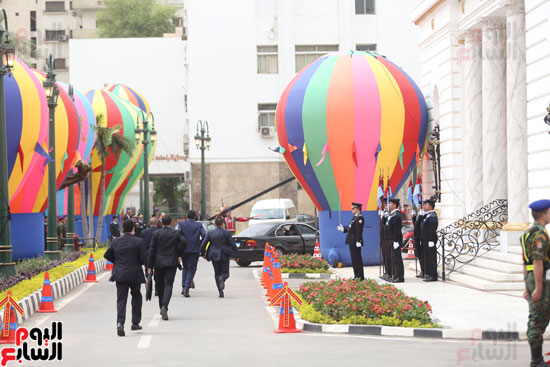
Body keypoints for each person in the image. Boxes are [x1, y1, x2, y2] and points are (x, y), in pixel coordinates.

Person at [104, 219, 146, 337]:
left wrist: (117, 262)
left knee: (121, 299)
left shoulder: (116, 241)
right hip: (135, 273)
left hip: (120, 273)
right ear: (133, 229)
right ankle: (135, 322)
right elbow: (143, 259)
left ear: (122, 229)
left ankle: (120, 323)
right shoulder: (138, 241)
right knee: (136, 296)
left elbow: (107, 255)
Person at [522, 199, 550, 367]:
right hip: (542, 279)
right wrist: (538, 288)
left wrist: (527, 287)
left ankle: (537, 359)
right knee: (538, 318)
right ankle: (536, 360)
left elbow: (525, 263)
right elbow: (538, 262)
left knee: (538, 316)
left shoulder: (528, 232)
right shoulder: (540, 235)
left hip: (532, 278)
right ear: (543, 213)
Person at [147, 215, 186, 320]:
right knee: (168, 284)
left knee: (159, 285)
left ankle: (161, 306)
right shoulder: (176, 233)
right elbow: (184, 241)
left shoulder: (156, 233)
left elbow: (152, 250)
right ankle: (165, 306)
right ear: (171, 222)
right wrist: (179, 254)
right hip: (172, 262)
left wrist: (149, 266)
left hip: (158, 263)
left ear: (161, 222)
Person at [200, 217, 238, 298]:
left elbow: (203, 244)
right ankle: (223, 278)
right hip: (224, 254)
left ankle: (220, 292)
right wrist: (236, 255)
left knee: (217, 273)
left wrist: (203, 253)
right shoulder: (227, 233)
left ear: (215, 224)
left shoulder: (210, 233)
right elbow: (232, 244)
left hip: (214, 255)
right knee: (226, 273)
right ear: (223, 224)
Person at [178, 211, 206, 297]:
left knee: (185, 267)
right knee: (191, 268)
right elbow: (204, 235)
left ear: (186, 216)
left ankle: (183, 286)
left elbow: (178, 234)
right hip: (194, 250)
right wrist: (200, 244)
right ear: (194, 217)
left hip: (184, 249)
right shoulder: (198, 225)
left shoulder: (181, 224)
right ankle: (186, 289)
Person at [337, 202, 365, 281]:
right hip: (352, 241)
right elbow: (351, 229)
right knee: (354, 259)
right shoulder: (354, 218)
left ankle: (360, 276)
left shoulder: (359, 218)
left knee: (357, 259)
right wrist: (344, 229)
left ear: (357, 209)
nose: (352, 210)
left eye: (353, 208)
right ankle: (356, 275)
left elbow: (359, 231)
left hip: (355, 241)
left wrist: (358, 241)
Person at [386, 198, 404, 283]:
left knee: (397, 259)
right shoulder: (392, 215)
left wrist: (396, 241)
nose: (389, 205)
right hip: (391, 239)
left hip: (395, 240)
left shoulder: (396, 215)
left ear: (394, 205)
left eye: (390, 203)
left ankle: (400, 277)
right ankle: (396, 275)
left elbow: (397, 230)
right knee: (394, 258)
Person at [421, 199, 439, 282]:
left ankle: (433, 275)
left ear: (431, 206)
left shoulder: (432, 215)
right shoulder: (427, 215)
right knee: (428, 257)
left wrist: (431, 240)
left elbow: (432, 228)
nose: (424, 206)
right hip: (426, 239)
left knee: (431, 258)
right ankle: (429, 274)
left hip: (430, 240)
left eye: (426, 205)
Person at [378, 199, 391, 281]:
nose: (384, 207)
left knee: (389, 257)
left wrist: (385, 217)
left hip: (388, 238)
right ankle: (387, 271)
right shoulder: (385, 214)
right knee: (385, 256)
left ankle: (390, 272)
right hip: (383, 238)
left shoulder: (390, 215)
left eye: (385, 205)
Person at [413, 206, 426, 278]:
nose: (417, 206)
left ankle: (424, 270)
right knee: (419, 255)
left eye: (419, 204)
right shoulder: (419, 215)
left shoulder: (424, 215)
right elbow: (416, 225)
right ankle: (422, 270)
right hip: (417, 238)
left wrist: (421, 217)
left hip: (421, 238)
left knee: (422, 255)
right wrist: (414, 217)